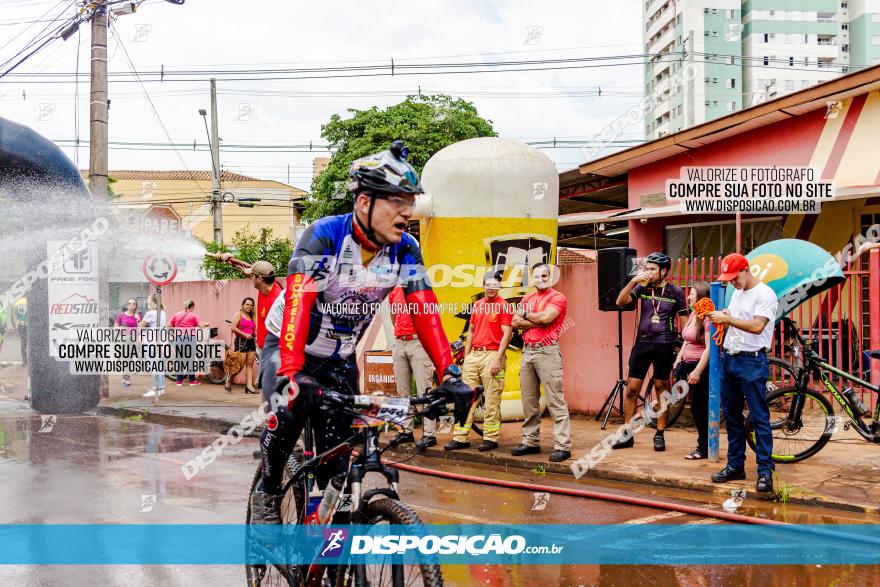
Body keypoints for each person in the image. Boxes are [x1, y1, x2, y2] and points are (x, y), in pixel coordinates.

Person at [250, 141, 473, 525]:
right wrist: (290, 371)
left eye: (411, 202)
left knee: (338, 468)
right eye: (397, 202)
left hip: (338, 360)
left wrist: (450, 374)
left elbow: (424, 311)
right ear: (364, 202)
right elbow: (299, 305)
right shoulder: (324, 236)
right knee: (291, 406)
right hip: (289, 348)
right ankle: (268, 491)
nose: (408, 211)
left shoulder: (405, 250)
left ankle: (325, 548)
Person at [708, 253, 778, 493]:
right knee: (732, 416)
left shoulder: (765, 294)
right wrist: (723, 319)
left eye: (734, 277)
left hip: (752, 360)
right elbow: (738, 320)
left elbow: (758, 326)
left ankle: (765, 471)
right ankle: (735, 465)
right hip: (731, 357)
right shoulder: (736, 292)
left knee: (759, 417)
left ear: (746, 270)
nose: (732, 282)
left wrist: (728, 318)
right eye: (728, 279)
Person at [612, 252, 688, 451]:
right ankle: (627, 435)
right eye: (647, 268)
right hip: (642, 344)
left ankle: (660, 434)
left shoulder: (675, 292)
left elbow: (685, 322)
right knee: (631, 389)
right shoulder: (642, 287)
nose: (648, 272)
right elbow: (620, 302)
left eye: (652, 269)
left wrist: (683, 345)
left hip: (664, 344)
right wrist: (633, 282)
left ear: (663, 271)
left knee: (661, 388)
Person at [510, 263, 572, 463]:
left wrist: (527, 316)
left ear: (550, 277)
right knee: (529, 400)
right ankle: (530, 442)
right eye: (537, 276)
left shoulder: (557, 297)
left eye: (545, 276)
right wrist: (536, 320)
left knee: (555, 400)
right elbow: (514, 322)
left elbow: (547, 318)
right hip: (527, 351)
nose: (541, 279)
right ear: (532, 278)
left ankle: (563, 446)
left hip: (547, 350)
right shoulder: (527, 298)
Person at [446, 272, 514, 452]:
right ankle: (460, 438)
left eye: (495, 285)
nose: (491, 288)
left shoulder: (504, 306)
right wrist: (467, 357)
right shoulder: (477, 305)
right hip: (474, 355)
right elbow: (471, 331)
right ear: (483, 285)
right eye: (488, 284)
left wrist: (498, 358)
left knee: (492, 399)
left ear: (500, 287)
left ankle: (490, 438)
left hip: (492, 354)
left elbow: (507, 333)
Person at [388, 285, 437, 449]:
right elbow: (393, 315)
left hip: (418, 342)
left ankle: (429, 434)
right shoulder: (395, 291)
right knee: (403, 391)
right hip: (400, 341)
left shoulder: (423, 290)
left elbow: (432, 318)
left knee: (425, 390)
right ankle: (406, 431)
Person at [672, 281, 711, 460]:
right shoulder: (694, 313)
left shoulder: (708, 318)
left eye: (692, 293)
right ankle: (704, 445)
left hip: (700, 367)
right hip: (688, 365)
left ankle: (704, 447)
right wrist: (679, 358)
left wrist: (697, 371)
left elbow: (710, 348)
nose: (688, 296)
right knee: (696, 407)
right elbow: (687, 339)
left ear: (702, 296)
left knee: (699, 408)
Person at [168, 299, 209, 386]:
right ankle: (192, 381)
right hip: (190, 339)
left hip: (178, 339)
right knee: (190, 360)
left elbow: (168, 325)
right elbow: (201, 325)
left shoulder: (177, 314)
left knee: (179, 359)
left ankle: (179, 381)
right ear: (192, 307)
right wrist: (206, 324)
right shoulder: (194, 315)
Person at [228, 297, 259, 394]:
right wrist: (245, 334)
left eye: (251, 305)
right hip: (241, 341)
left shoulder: (252, 316)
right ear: (243, 305)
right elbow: (233, 328)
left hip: (251, 342)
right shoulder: (239, 314)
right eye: (247, 304)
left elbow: (254, 330)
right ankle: (229, 380)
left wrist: (256, 335)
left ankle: (249, 386)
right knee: (240, 366)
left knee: (250, 365)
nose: (249, 306)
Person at [139, 294, 167, 398]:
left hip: (151, 342)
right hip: (161, 342)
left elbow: (140, 326)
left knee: (154, 366)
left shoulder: (150, 313)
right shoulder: (163, 312)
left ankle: (155, 388)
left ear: (152, 301)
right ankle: (161, 388)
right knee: (159, 366)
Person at [114, 299, 141, 387]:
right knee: (125, 358)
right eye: (129, 303)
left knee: (129, 358)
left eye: (133, 303)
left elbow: (140, 329)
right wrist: (120, 328)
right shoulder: (121, 315)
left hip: (134, 339)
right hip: (124, 338)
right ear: (127, 305)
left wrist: (138, 320)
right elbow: (115, 327)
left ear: (135, 306)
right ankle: (125, 376)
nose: (131, 305)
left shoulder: (137, 316)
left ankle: (127, 377)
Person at [13, 297, 27, 366]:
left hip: (20, 326)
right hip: (29, 326)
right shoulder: (29, 302)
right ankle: (32, 361)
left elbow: (12, 317)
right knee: (32, 344)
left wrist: (14, 326)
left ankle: (24, 361)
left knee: (23, 343)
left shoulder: (16, 303)